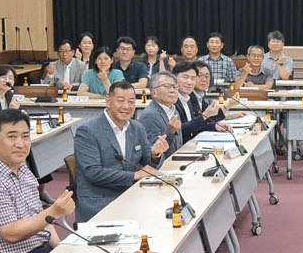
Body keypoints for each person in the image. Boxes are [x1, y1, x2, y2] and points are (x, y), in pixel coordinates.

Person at [0, 108, 78, 253]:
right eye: (12, 137)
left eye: (25, 136)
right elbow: (10, 233)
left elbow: (42, 219)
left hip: (39, 251)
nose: (20, 144)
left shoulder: (22, 169)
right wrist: (54, 211)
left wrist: (60, 251)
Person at [68, 81, 168, 221]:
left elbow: (147, 163)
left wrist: (155, 154)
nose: (126, 106)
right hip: (100, 200)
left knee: (166, 209)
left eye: (131, 101)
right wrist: (134, 175)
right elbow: (93, 172)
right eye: (120, 101)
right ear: (108, 101)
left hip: (131, 192)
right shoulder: (88, 131)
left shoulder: (137, 128)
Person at [171, 62, 225, 138]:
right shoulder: (172, 101)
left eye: (193, 78)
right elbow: (180, 130)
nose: (189, 82)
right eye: (185, 77)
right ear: (173, 78)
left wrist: (215, 126)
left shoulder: (187, 99)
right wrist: (205, 115)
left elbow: (194, 126)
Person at [134, 70, 183, 152]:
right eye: (167, 86)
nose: (172, 90)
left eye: (175, 87)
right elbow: (153, 152)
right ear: (154, 92)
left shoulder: (174, 111)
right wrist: (171, 131)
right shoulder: (150, 115)